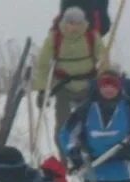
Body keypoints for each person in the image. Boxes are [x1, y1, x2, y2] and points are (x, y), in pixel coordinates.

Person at [34, 6, 103, 151]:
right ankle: (65, 158)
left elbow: (103, 61)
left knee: (90, 123)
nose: (75, 27)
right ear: (65, 23)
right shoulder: (55, 38)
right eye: (71, 23)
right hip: (64, 88)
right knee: (63, 126)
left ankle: (89, 154)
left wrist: (106, 84)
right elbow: (43, 65)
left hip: (88, 87)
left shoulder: (91, 37)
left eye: (78, 23)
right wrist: (41, 90)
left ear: (83, 23)